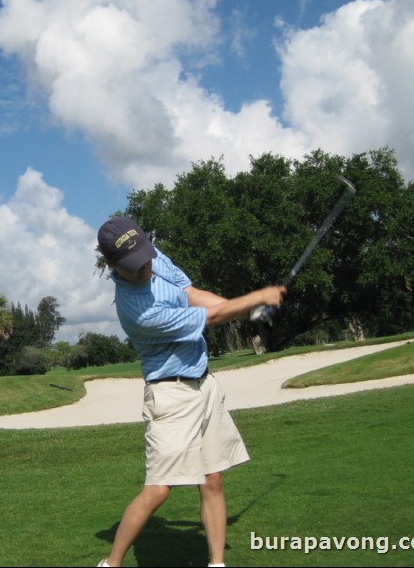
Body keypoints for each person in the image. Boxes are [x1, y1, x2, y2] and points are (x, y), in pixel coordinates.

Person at [95, 216, 286, 568]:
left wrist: (247, 309)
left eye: (145, 257)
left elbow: (193, 295)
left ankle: (216, 564)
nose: (145, 269)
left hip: (204, 383)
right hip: (171, 396)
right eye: (134, 266)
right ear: (111, 265)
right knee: (158, 490)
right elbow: (209, 319)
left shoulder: (152, 257)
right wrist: (255, 299)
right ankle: (111, 564)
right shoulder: (137, 310)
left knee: (212, 479)